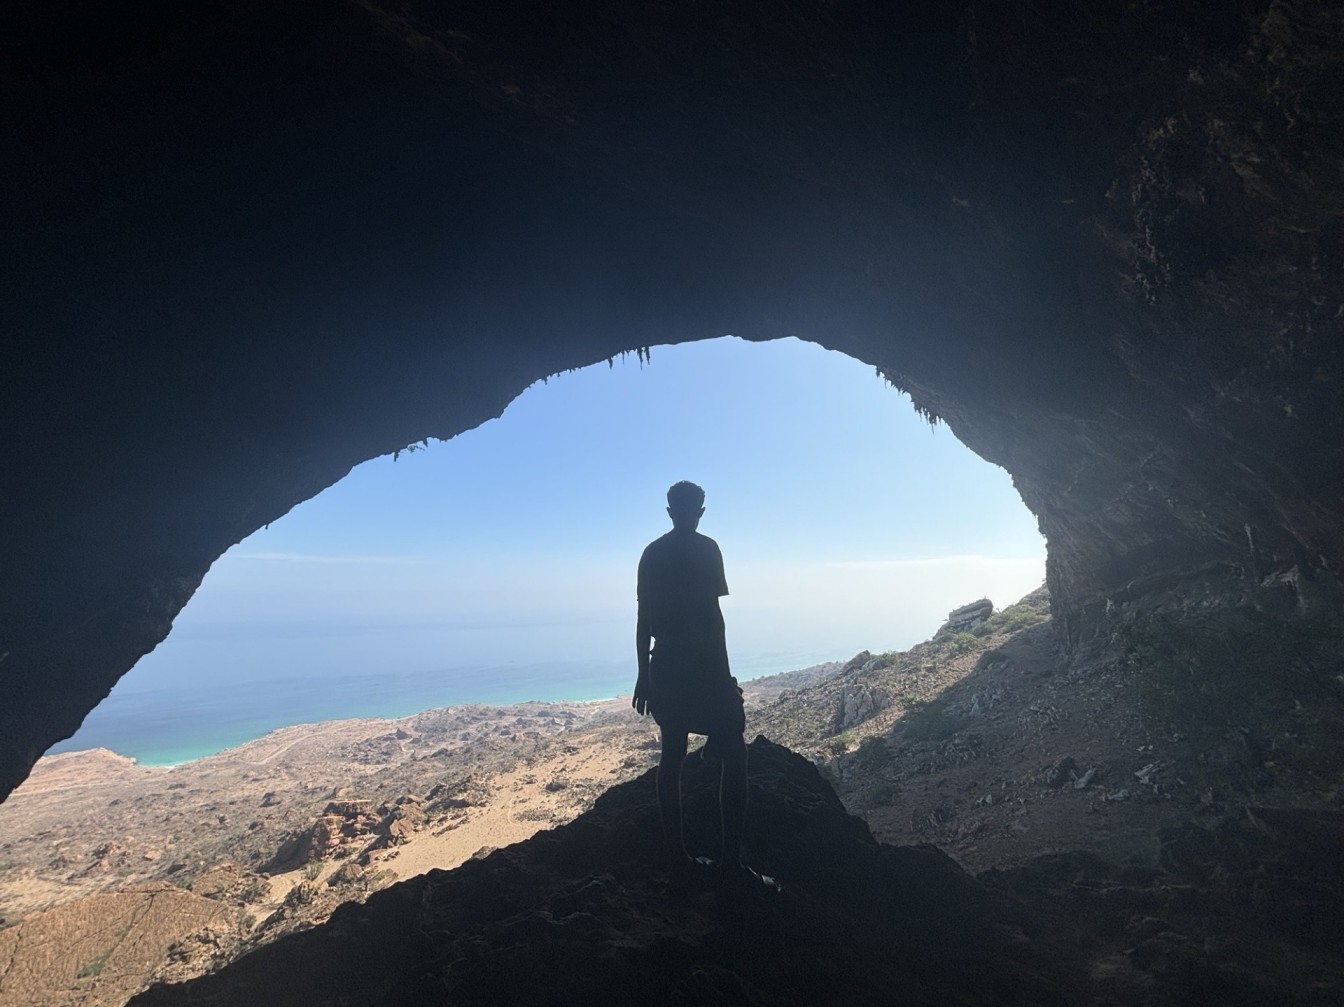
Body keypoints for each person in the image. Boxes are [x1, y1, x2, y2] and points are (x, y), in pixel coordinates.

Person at [632, 481, 773, 892]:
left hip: (669, 666)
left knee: (672, 753)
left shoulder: (652, 553)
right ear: (700, 510)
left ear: (669, 509)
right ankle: (730, 864)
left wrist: (644, 673)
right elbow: (714, 620)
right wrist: (726, 682)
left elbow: (644, 621)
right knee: (734, 755)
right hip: (703, 667)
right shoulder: (707, 549)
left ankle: (678, 860)